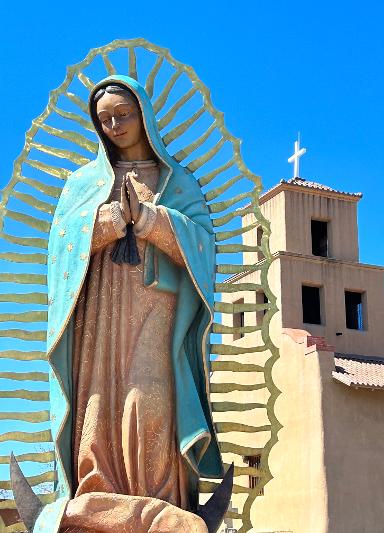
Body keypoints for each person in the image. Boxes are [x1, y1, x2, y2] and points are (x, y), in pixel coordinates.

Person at [29, 75, 224, 533]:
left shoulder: (178, 182)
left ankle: (160, 503)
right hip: (98, 313)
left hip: (157, 311)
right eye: (105, 120)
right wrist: (107, 221)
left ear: (143, 115)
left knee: (149, 400)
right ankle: (95, 498)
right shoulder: (83, 183)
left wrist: (151, 219)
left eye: (123, 115)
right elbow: (60, 246)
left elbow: (203, 246)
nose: (115, 126)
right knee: (98, 405)